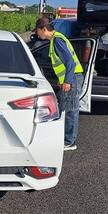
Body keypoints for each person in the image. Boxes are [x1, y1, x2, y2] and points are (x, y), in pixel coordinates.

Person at [35, 16, 84, 150]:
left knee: (70, 111)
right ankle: (65, 138)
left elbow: (69, 62)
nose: (37, 34)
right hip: (70, 78)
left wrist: (67, 81)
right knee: (66, 109)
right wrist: (61, 79)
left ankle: (69, 142)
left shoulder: (57, 41)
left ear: (44, 29)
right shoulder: (55, 40)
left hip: (72, 78)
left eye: (37, 31)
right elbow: (62, 64)